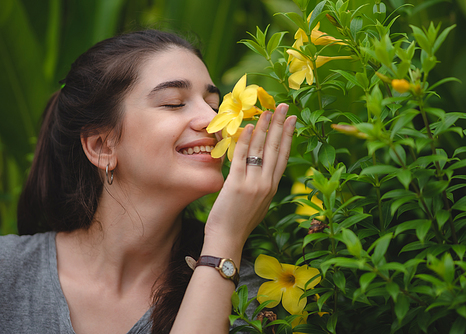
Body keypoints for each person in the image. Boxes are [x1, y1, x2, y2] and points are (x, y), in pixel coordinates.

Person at [0, 30, 296, 333]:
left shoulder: (244, 291)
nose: (211, 119)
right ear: (102, 146)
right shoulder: (6, 270)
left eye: (213, 102)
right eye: (173, 103)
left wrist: (225, 239)